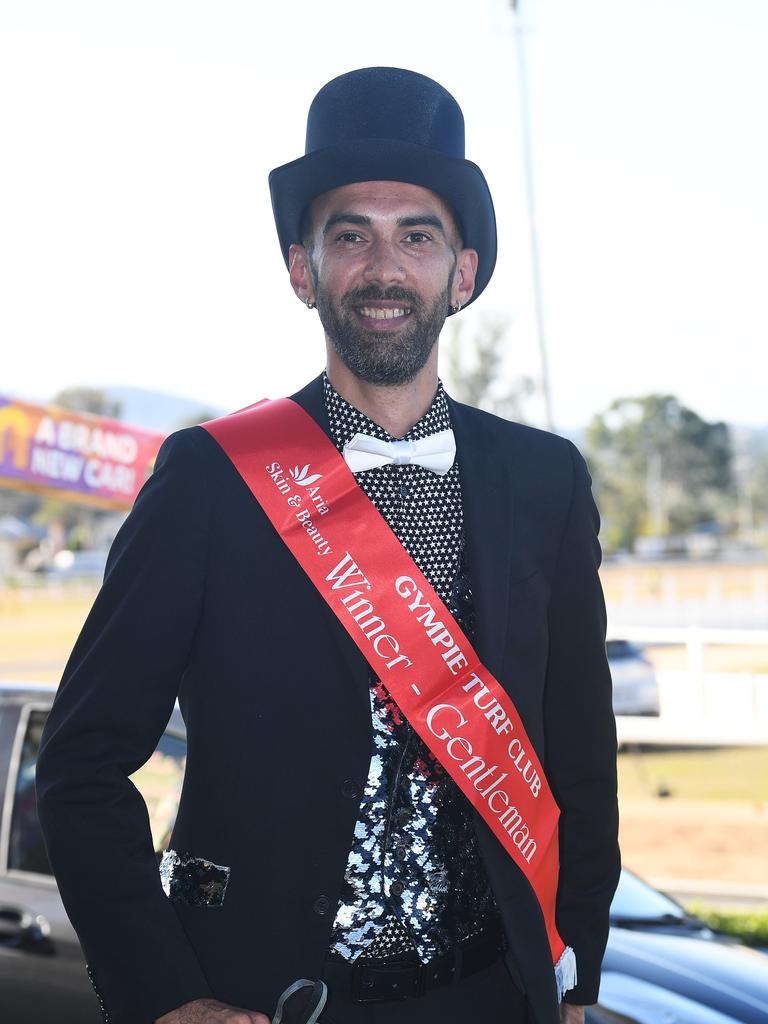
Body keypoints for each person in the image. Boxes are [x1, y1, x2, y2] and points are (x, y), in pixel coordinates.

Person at [37, 67, 620, 1024]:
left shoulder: (545, 481)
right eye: (350, 235)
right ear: (304, 271)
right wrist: (165, 995)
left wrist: (577, 980)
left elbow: (579, 763)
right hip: (263, 996)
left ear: (461, 274)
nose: (384, 268)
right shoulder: (211, 478)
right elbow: (82, 766)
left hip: (490, 999)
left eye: (416, 236)